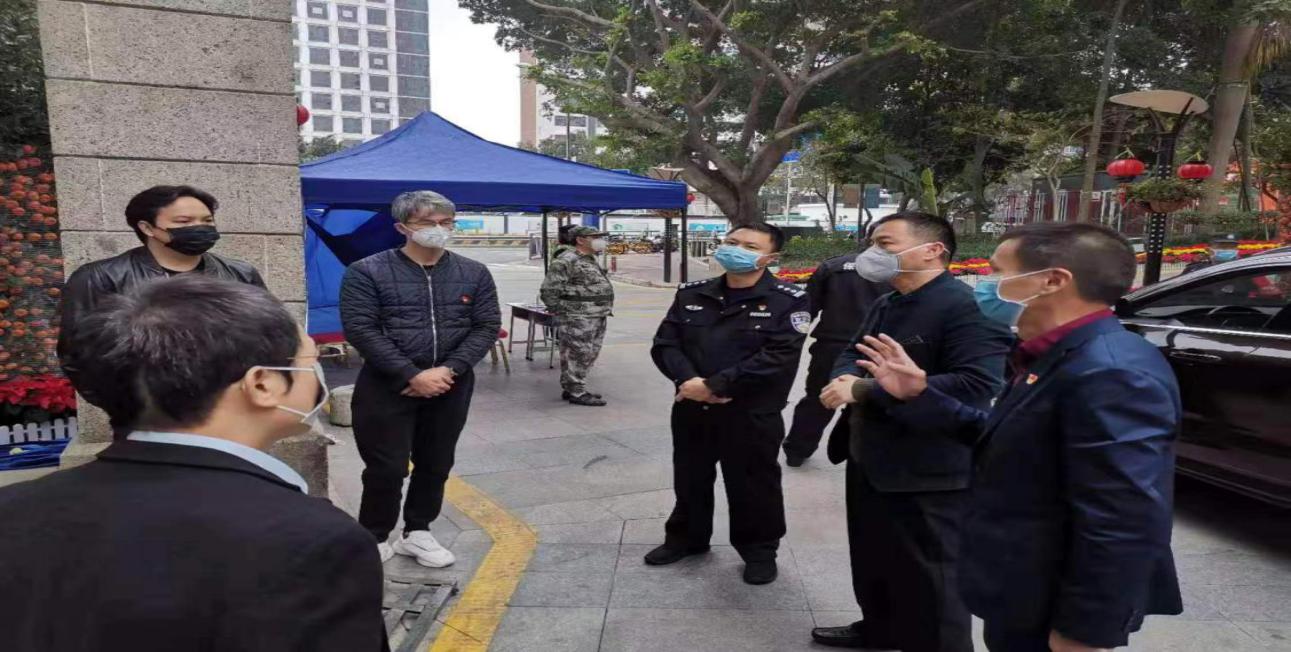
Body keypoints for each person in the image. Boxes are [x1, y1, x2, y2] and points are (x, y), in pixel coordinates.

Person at [0, 276, 387, 652]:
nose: (316, 375)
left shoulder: (13, 508)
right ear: (263, 384)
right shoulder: (316, 542)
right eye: (311, 360)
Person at [848, 223, 1183, 652]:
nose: (986, 285)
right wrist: (919, 395)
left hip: (1056, 603)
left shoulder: (1112, 371)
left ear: (1053, 280)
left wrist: (1085, 630)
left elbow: (1123, 517)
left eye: (998, 272)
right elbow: (1005, 436)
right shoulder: (1054, 354)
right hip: (1022, 585)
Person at [811, 211, 1012, 652]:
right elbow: (853, 351)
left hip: (929, 467)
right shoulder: (888, 302)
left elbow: (977, 384)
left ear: (932, 250)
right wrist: (845, 377)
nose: (872, 254)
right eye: (871, 243)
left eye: (885, 244)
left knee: (932, 577)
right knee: (874, 556)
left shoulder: (967, 308)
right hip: (871, 455)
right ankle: (880, 628)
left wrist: (863, 389)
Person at [341, 190, 501, 567]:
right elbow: (362, 329)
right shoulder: (367, 271)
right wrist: (411, 374)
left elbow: (486, 325)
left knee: (436, 462)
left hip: (450, 385)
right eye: (428, 223)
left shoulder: (473, 272)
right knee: (387, 467)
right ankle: (374, 535)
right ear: (402, 228)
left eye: (446, 222)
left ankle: (418, 531)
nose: (438, 229)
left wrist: (448, 370)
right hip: (388, 385)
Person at [647, 223, 809, 585]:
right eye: (732, 242)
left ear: (770, 257)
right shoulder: (692, 293)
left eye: (749, 246)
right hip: (692, 406)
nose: (736, 249)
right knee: (690, 477)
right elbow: (666, 344)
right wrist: (688, 382)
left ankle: (759, 551)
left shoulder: (789, 300)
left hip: (751, 412)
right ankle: (687, 538)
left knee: (754, 484)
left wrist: (715, 385)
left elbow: (778, 356)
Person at [57, 185, 266, 439]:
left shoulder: (240, 274)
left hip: (234, 415)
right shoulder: (100, 277)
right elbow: (77, 354)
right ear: (147, 228)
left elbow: (270, 336)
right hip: (149, 422)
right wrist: (129, 409)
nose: (199, 227)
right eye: (184, 221)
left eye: (207, 220)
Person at [781, 242, 889, 467]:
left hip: (832, 346)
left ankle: (797, 450)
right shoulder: (900, 270)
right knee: (871, 399)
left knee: (819, 399)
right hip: (880, 347)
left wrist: (791, 342)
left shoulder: (834, 266)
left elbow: (807, 309)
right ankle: (861, 453)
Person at [540, 225, 614, 406]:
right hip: (577, 317)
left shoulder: (589, 258)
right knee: (578, 354)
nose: (600, 240)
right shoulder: (567, 260)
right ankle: (576, 392)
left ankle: (573, 387)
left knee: (589, 353)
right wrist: (563, 311)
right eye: (594, 236)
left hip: (596, 314)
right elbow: (549, 290)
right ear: (580, 240)